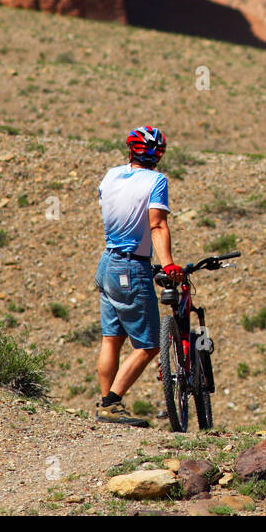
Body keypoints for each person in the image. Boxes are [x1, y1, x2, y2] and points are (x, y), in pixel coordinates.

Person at [92, 127, 183, 426]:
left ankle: (105, 404)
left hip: (107, 263)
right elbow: (157, 225)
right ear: (160, 154)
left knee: (112, 338)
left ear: (131, 150)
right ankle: (111, 402)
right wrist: (168, 264)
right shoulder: (157, 181)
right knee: (148, 346)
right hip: (131, 267)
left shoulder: (111, 175)